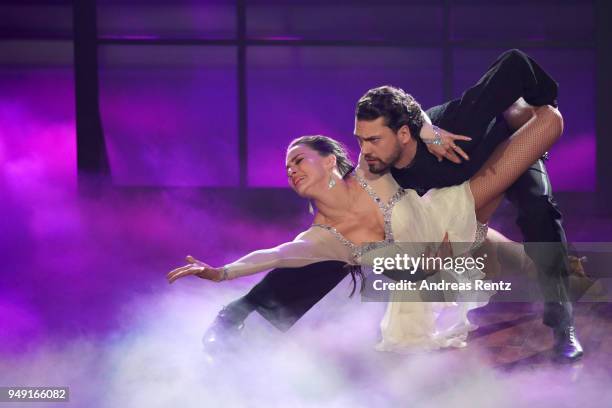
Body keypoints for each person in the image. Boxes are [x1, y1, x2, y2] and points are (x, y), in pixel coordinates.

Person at [186, 49, 582, 361]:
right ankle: (248, 317)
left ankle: (562, 321)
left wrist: (537, 107)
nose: (365, 150)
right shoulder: (377, 163)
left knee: (538, 210)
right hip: (447, 218)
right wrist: (234, 294)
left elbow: (516, 64)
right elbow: (289, 252)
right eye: (361, 141)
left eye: (373, 141)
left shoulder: (451, 128)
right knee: (339, 250)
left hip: (505, 148)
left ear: (404, 134)